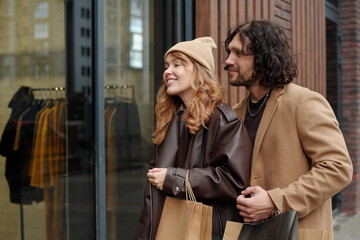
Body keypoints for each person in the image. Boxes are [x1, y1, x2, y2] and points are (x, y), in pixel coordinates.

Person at [224, 20, 353, 238]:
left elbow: (338, 168)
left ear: (262, 57)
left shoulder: (303, 102)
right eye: (229, 52)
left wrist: (275, 201)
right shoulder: (235, 114)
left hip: (297, 232)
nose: (228, 61)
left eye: (238, 53)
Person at [135, 37, 252, 240]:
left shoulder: (222, 120)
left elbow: (234, 181)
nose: (167, 71)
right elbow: (153, 194)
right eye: (166, 65)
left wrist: (175, 179)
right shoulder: (170, 120)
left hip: (206, 232)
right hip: (170, 230)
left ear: (199, 71)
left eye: (177, 64)